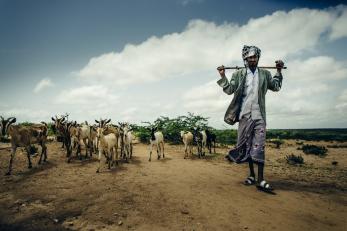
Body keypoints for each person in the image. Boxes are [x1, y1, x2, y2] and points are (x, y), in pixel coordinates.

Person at [217, 45, 284, 192]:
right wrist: (222, 76)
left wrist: (278, 71)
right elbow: (229, 90)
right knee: (246, 146)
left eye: (254, 57)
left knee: (259, 147)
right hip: (244, 116)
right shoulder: (239, 74)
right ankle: (252, 175)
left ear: (258, 58)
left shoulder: (265, 74)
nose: (252, 60)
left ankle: (261, 180)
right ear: (245, 59)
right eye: (249, 58)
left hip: (259, 116)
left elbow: (276, 86)